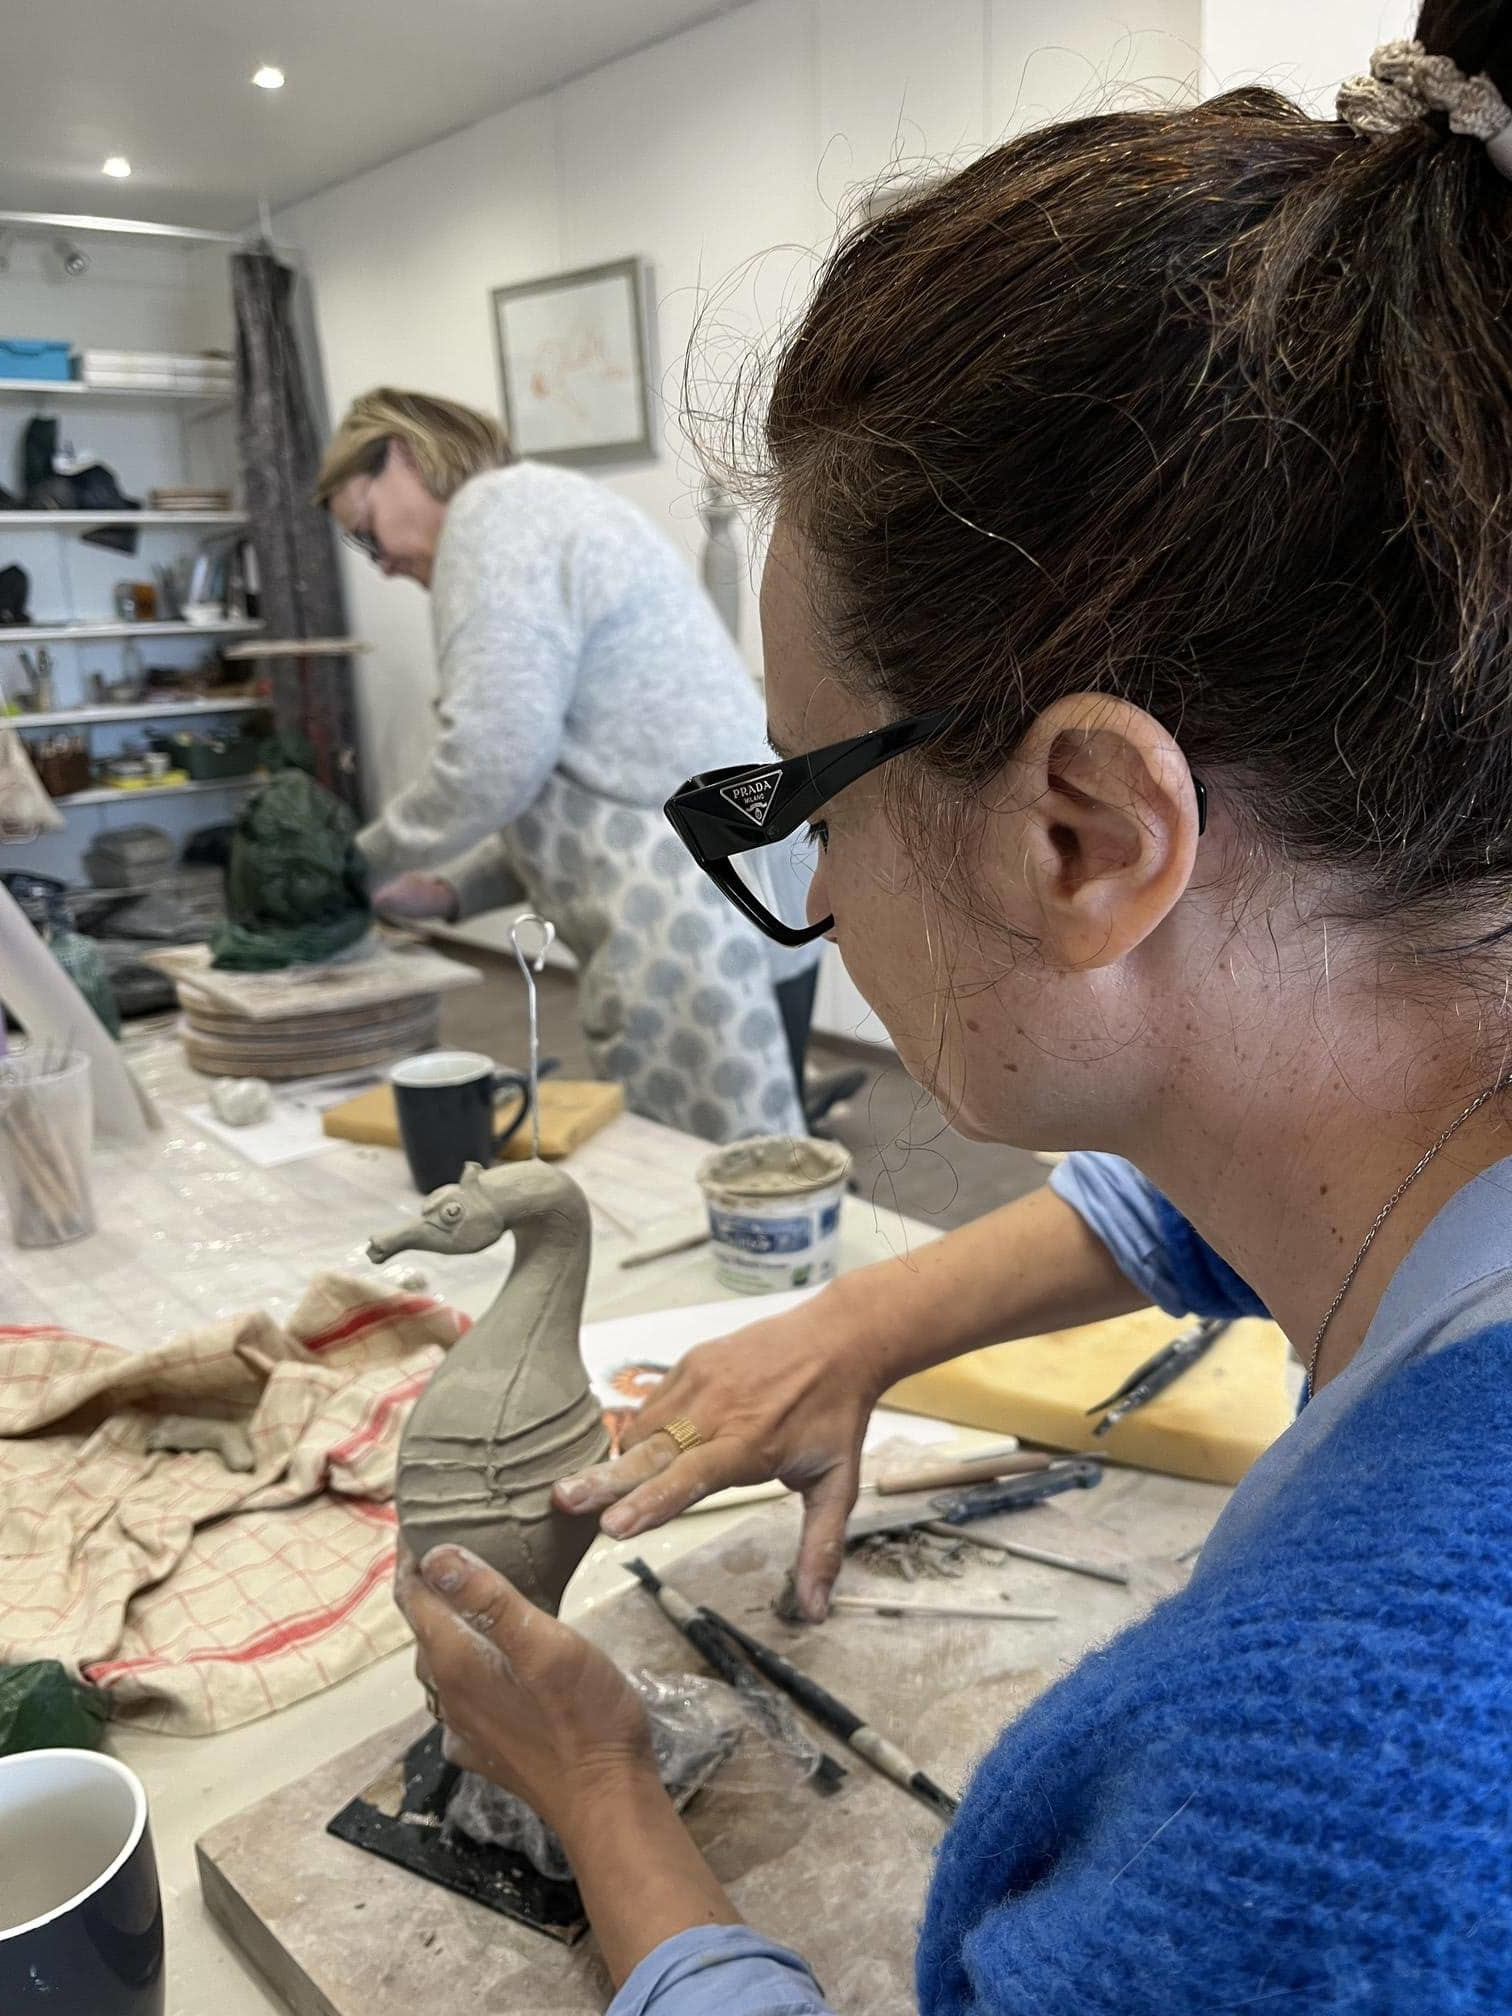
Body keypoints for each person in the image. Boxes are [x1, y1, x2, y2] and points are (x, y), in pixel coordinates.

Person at [397, 6, 1512, 2009]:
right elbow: (1226, 1198)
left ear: (1085, 832)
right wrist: (861, 1322)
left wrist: (605, 1798)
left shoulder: (1356, 1802)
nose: (808, 885)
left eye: (807, 786)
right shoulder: (1420, 1087)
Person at [316, 388, 819, 1143]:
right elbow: (578, 776)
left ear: (406, 456)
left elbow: (495, 759)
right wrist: (454, 889)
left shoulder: (492, 518)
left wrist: (354, 863)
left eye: (365, 532)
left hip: (688, 901)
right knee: (743, 1166)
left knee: (706, 1177)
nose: (381, 563)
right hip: (735, 872)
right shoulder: (541, 511)